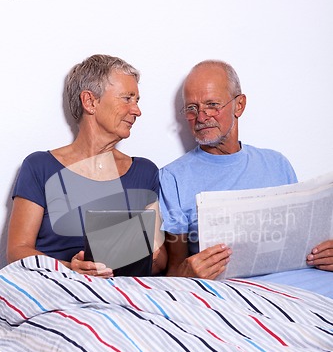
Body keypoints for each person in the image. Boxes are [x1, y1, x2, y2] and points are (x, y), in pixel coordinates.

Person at [159, 59, 333, 288]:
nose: (201, 117)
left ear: (239, 105)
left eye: (212, 105)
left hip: (304, 288)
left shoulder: (277, 164)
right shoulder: (173, 178)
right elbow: (173, 272)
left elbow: (302, 242)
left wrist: (325, 253)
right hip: (234, 295)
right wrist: (187, 273)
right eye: (192, 108)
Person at [7, 54, 167, 277]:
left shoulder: (144, 172)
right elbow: (17, 251)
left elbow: (160, 263)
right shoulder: (40, 167)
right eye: (127, 98)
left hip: (121, 294)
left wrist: (142, 252)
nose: (137, 111)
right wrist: (70, 269)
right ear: (90, 102)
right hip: (56, 286)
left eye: (137, 100)